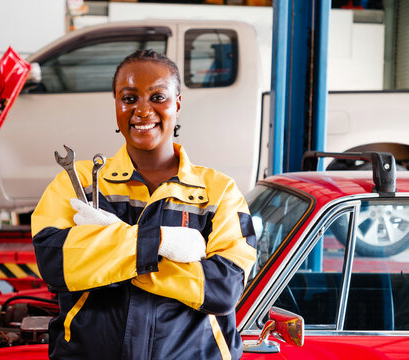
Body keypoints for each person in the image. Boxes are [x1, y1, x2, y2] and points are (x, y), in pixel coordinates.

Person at [32, 49, 257, 360]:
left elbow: (223, 288)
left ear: (177, 103)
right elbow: (56, 264)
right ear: (116, 105)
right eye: (129, 98)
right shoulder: (77, 182)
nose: (142, 110)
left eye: (158, 97)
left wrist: (106, 259)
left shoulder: (218, 191)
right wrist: (163, 242)